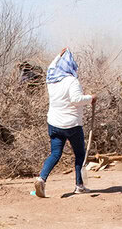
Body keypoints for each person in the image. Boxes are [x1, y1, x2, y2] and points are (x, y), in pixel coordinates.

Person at [33, 48, 95, 198]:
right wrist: (91, 98)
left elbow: (51, 67)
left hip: (54, 123)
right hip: (71, 124)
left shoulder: (51, 78)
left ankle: (41, 178)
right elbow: (76, 99)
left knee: (55, 153)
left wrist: (59, 54)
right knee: (79, 154)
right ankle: (79, 185)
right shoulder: (72, 81)